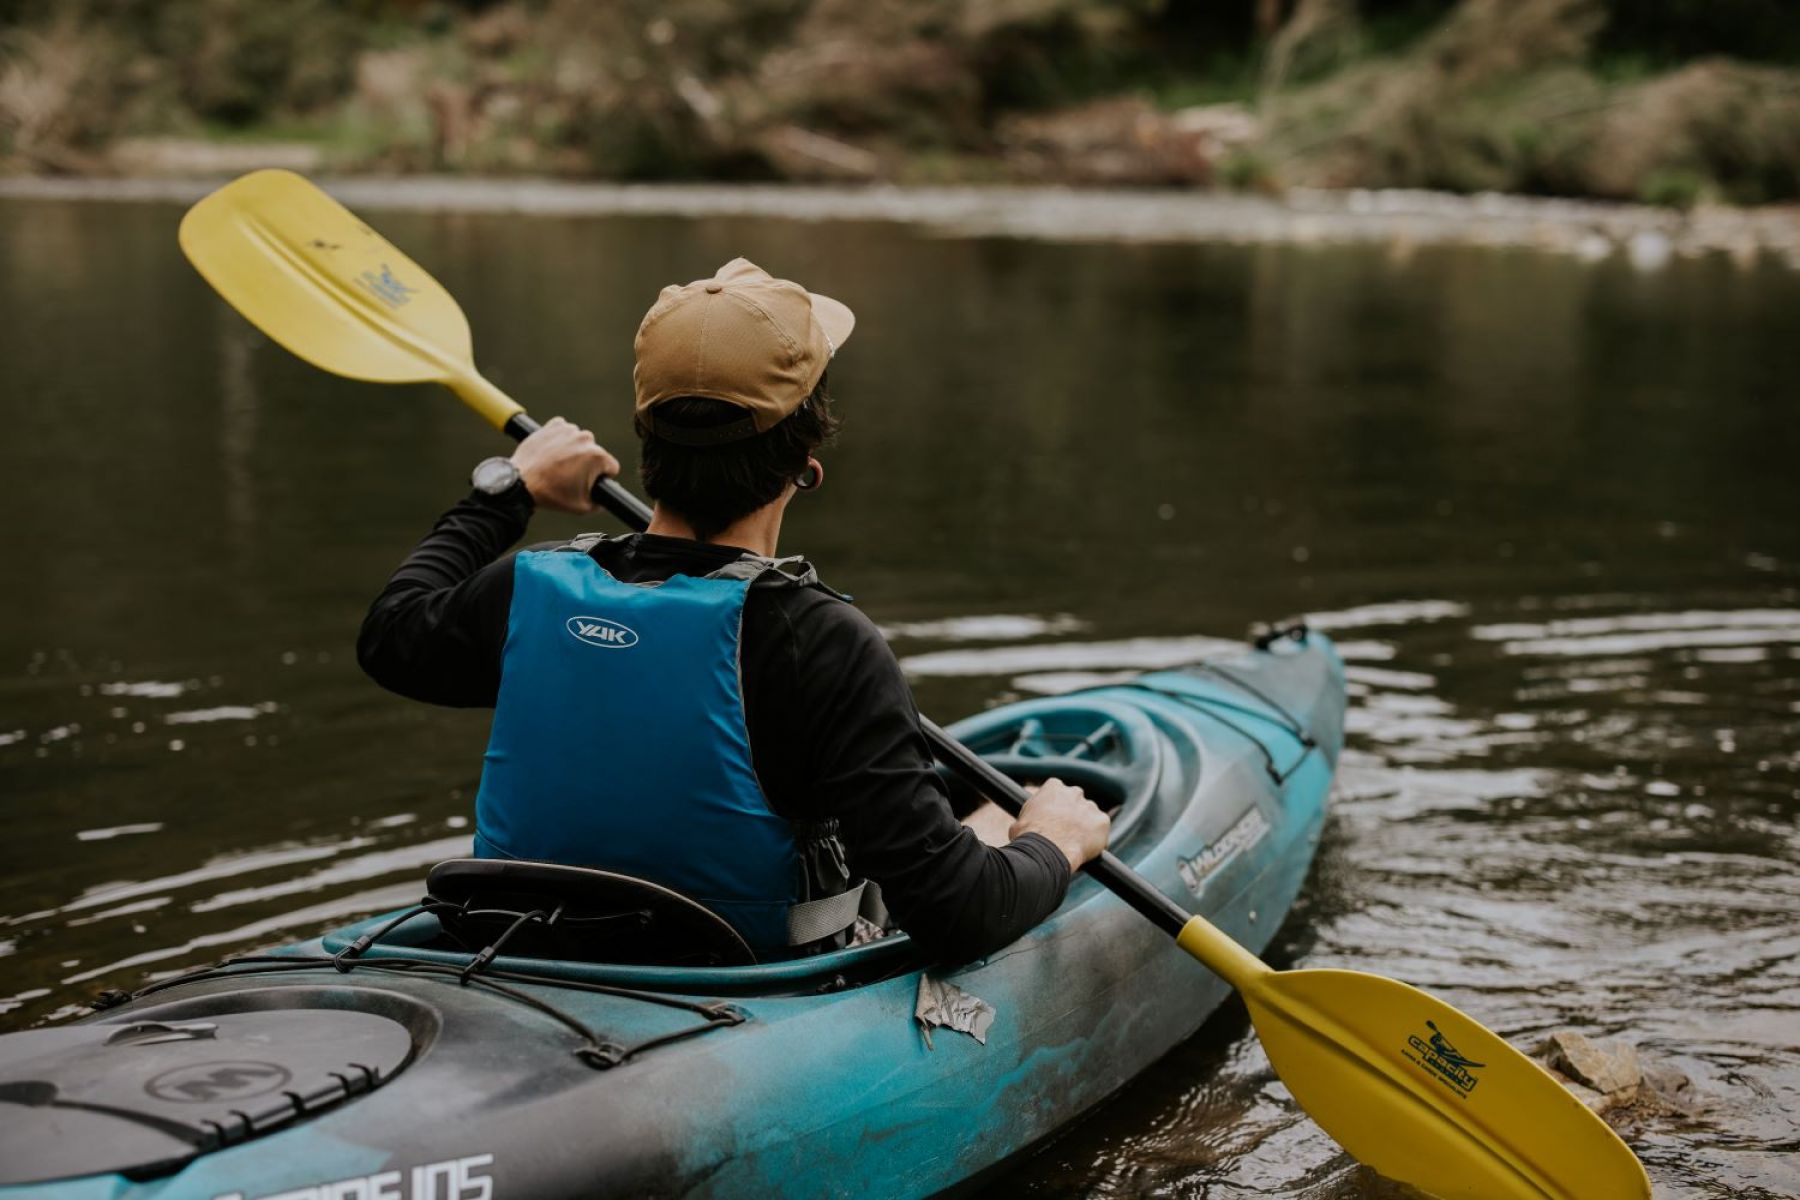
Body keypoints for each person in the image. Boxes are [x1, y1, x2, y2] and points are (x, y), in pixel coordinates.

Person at [357, 257, 1110, 962]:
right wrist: (1051, 842)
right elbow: (958, 915)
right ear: (805, 456)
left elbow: (391, 634)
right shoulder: (820, 640)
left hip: (520, 945)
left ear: (647, 439)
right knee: (993, 824)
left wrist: (510, 490)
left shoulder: (529, 588)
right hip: (736, 972)